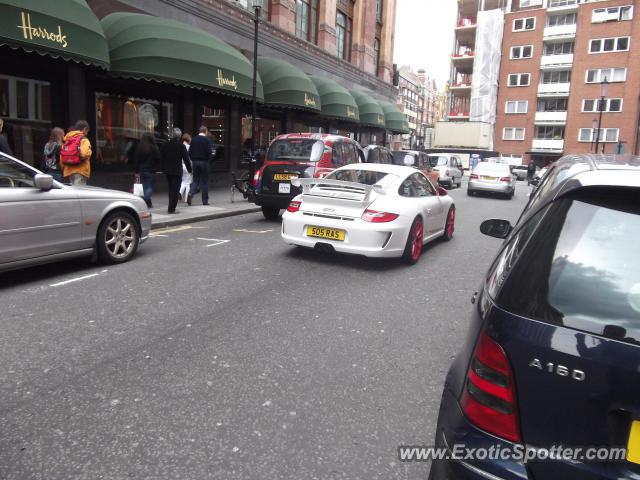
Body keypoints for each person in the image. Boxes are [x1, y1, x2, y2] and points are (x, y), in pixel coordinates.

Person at [161, 128, 192, 214]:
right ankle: (171, 208)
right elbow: (186, 159)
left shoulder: (165, 144)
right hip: (177, 171)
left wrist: (162, 168)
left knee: (171, 189)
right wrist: (190, 170)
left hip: (168, 170)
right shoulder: (181, 146)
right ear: (179, 136)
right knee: (175, 189)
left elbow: (162, 157)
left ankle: (170, 206)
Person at [132, 133, 160, 208]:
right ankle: (143, 201)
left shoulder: (140, 148)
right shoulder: (153, 148)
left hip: (141, 170)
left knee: (143, 188)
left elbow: (136, 160)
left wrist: (136, 171)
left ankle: (149, 204)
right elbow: (158, 159)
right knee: (150, 188)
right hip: (151, 170)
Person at [61, 120, 92, 185]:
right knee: (79, 193)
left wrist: (63, 168)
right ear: (85, 129)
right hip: (80, 170)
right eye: (87, 131)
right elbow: (84, 153)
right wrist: (90, 151)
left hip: (68, 171)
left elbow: (62, 155)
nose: (87, 133)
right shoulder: (84, 140)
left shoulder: (68, 139)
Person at [188, 125, 213, 206]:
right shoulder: (207, 140)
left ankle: (191, 193)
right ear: (205, 131)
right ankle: (205, 201)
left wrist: (193, 159)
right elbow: (209, 152)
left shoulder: (193, 139)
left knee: (195, 180)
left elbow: (190, 152)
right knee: (204, 182)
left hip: (195, 162)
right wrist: (208, 159)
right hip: (204, 162)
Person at [180, 133, 192, 202]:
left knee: (183, 181)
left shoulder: (180, 146)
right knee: (188, 182)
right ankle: (187, 198)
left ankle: (180, 193)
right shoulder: (189, 147)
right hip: (187, 165)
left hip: (181, 166)